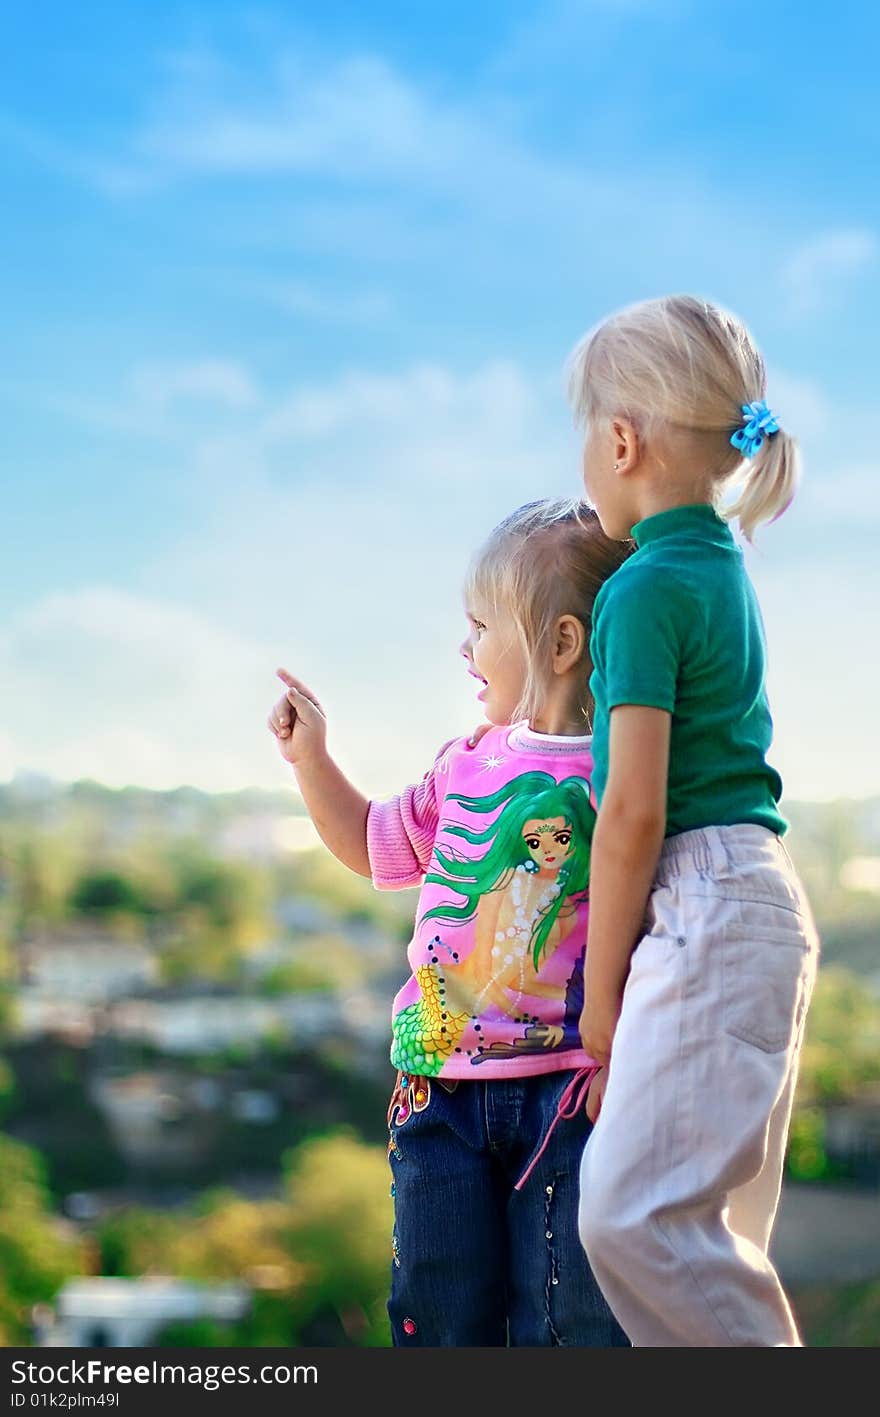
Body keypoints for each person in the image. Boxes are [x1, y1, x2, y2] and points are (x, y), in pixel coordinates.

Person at [267, 498, 632, 1347]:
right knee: (439, 1312)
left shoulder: (622, 773)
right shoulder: (463, 765)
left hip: (568, 1096)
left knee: (570, 1317)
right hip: (439, 1093)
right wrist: (312, 758)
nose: (463, 650)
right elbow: (371, 842)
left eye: (480, 628)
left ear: (561, 645)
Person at [569, 294, 820, 1347]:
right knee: (717, 1233)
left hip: (702, 899)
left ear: (621, 439)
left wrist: (601, 990)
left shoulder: (643, 588)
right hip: (759, 896)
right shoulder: (721, 566)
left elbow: (631, 812)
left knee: (627, 1217)